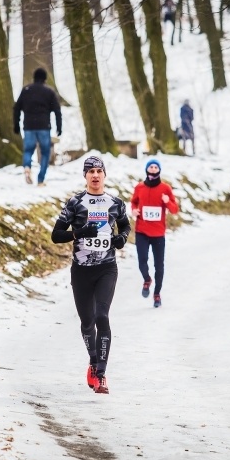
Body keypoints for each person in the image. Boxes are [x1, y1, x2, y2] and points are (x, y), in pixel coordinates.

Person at [50, 156, 131, 394]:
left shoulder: (115, 203)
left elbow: (125, 225)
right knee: (87, 323)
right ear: (85, 176)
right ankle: (93, 361)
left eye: (99, 171)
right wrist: (78, 233)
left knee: (101, 316)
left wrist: (122, 238)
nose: (95, 175)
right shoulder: (75, 203)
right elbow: (56, 235)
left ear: (104, 175)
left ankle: (101, 374)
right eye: (91, 171)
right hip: (81, 272)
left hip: (106, 269)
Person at [130, 159, 179, 308]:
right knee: (142, 260)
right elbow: (133, 202)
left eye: (155, 166)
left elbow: (175, 209)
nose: (153, 168)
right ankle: (147, 280)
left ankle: (157, 294)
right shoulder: (139, 187)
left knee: (159, 265)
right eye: (150, 166)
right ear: (147, 169)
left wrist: (167, 201)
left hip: (158, 233)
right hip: (142, 231)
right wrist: (134, 210)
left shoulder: (165, 188)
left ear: (159, 170)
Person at [13, 67, 62, 186]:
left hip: (28, 126)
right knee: (45, 152)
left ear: (34, 77)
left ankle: (27, 167)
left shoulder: (26, 90)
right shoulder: (49, 92)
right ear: (45, 79)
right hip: (44, 126)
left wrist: (16, 125)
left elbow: (17, 108)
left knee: (28, 150)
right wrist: (59, 127)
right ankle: (40, 180)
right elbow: (57, 110)